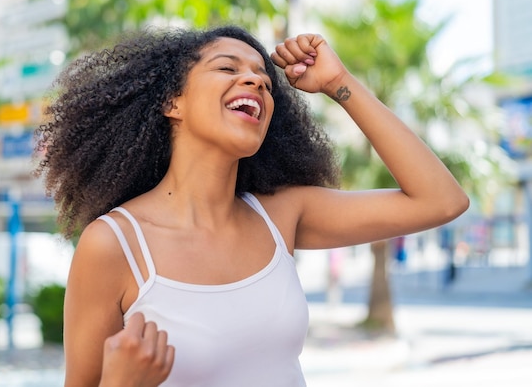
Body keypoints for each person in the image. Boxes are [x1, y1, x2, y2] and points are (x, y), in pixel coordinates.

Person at [34, 25, 469, 387]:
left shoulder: (282, 214)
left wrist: (340, 84)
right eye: (227, 67)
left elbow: (442, 201)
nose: (258, 81)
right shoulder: (114, 244)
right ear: (172, 102)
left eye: (264, 77)